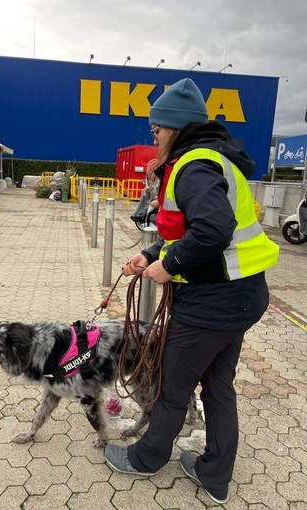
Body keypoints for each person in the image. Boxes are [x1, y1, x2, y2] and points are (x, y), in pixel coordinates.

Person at [104, 78, 279, 504]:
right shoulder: (214, 160)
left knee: (171, 384)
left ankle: (147, 458)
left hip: (211, 304)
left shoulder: (193, 166)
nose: (155, 138)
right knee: (219, 386)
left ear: (175, 129)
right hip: (242, 298)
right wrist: (151, 255)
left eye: (156, 130)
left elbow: (213, 230)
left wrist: (171, 266)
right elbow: (187, 229)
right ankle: (214, 475)